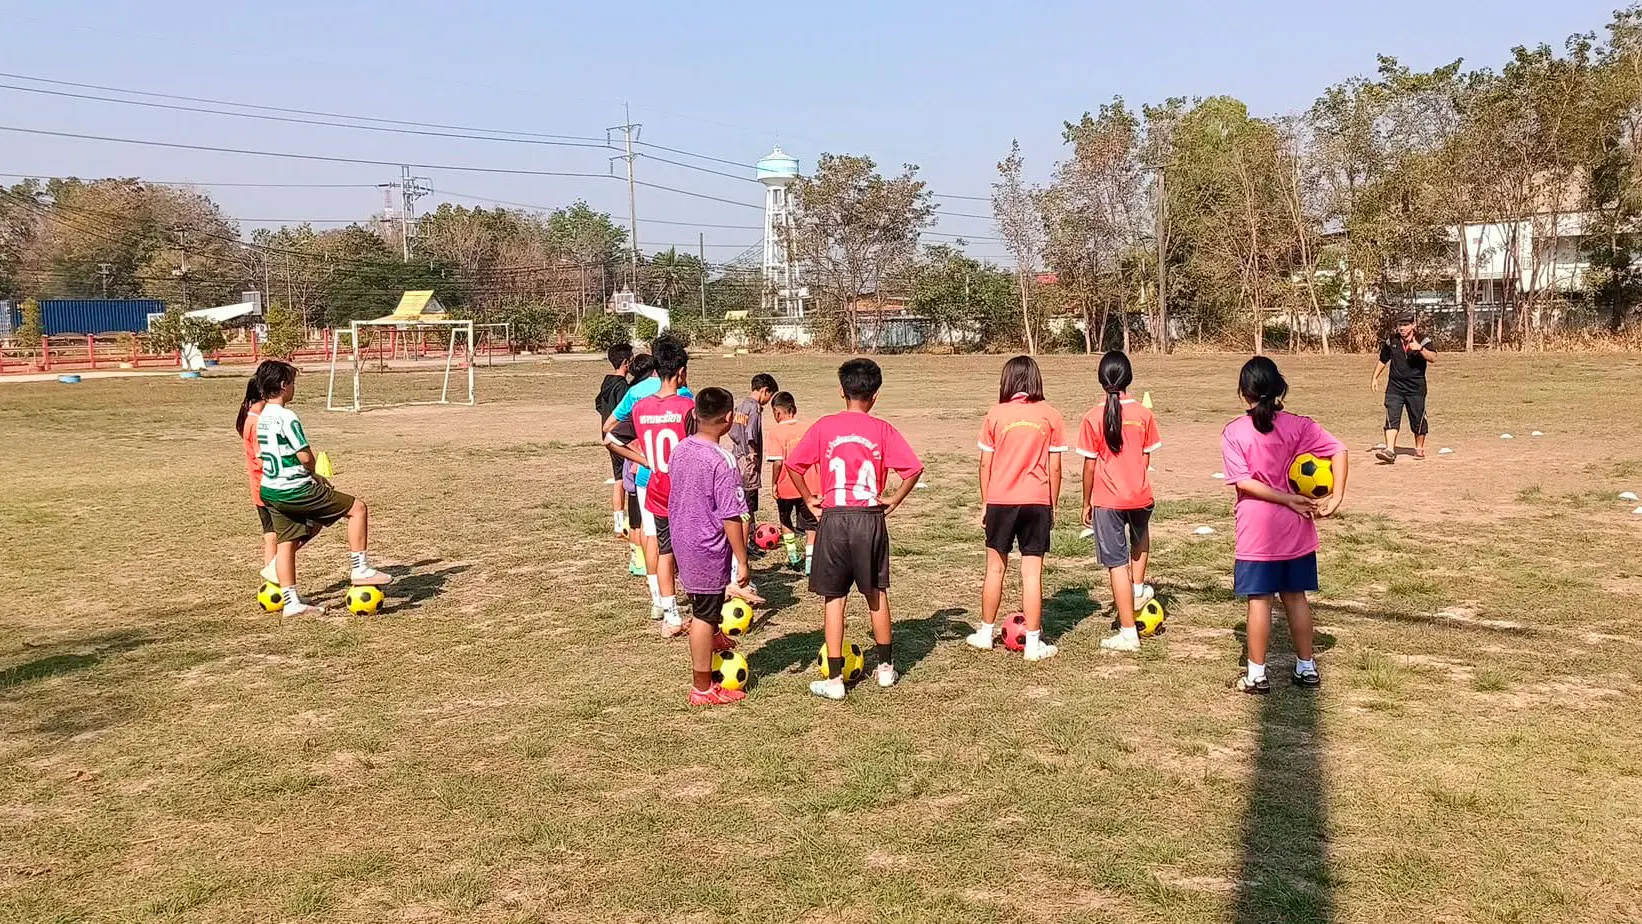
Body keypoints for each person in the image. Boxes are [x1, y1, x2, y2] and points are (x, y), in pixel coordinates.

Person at [784, 358, 924, 701]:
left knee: (835, 599)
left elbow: (793, 465)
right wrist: (893, 500)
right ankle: (887, 669)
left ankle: (834, 681)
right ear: (875, 395)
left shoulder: (823, 426)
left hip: (834, 516)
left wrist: (809, 498)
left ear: (841, 390)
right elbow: (913, 469)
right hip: (869, 517)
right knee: (876, 592)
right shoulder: (883, 430)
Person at [1222, 356, 1349, 694]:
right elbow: (1339, 449)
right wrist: (1335, 496)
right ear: (1280, 388)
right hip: (1296, 528)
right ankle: (1306, 667)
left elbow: (1243, 483)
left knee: (1259, 601)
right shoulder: (1300, 426)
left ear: (1243, 393)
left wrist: (1283, 497)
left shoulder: (1234, 431)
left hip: (1255, 532)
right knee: (1296, 598)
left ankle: (1256, 674)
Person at [252, 360, 393, 617]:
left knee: (287, 542)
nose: (294, 388)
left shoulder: (263, 418)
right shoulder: (287, 417)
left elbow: (261, 455)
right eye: (292, 383)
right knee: (357, 509)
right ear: (284, 386)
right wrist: (314, 474)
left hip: (270, 489)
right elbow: (305, 456)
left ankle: (290, 601)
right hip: (294, 488)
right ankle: (360, 568)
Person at [665, 386, 764, 706]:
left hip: (682, 538)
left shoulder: (680, 449)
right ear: (728, 420)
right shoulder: (722, 460)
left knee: (705, 601)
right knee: (703, 616)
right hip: (705, 544)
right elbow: (731, 515)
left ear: (695, 415)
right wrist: (743, 560)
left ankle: (716, 634)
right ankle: (703, 688)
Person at [965, 356, 1067, 661]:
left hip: (1000, 501)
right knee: (1031, 574)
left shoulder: (995, 415)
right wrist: (1053, 503)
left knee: (995, 568)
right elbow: (1056, 467)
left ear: (1006, 382)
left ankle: (985, 633)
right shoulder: (1050, 415)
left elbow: (985, 463)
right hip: (1037, 500)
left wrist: (986, 500)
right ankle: (1033, 644)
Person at [606, 336, 694, 635]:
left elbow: (611, 438)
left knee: (664, 547)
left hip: (655, 485)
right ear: (681, 372)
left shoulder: (642, 407)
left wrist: (644, 460)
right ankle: (702, 603)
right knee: (693, 545)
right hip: (685, 488)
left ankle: (669, 612)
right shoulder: (688, 405)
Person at [1078, 351, 1163, 653]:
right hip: (1141, 495)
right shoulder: (1143, 414)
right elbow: (1145, 456)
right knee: (1140, 538)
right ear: (1129, 378)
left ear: (1101, 380)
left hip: (1108, 499)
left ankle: (1129, 633)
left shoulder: (1091, 417)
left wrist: (1086, 502)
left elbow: (1089, 466)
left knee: (1116, 564)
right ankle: (1137, 590)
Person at [765, 391, 820, 573]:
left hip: (786, 486)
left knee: (785, 519)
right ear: (794, 409)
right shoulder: (808, 428)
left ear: (776, 413)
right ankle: (810, 563)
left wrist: (774, 483)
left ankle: (794, 557)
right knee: (811, 525)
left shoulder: (776, 432)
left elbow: (778, 461)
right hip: (809, 484)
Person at [1370, 314, 1436, 463]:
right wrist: (1375, 377)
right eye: (1400, 325)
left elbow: (1433, 357)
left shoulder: (1423, 339)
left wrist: (1419, 349)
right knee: (1391, 417)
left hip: (1416, 388)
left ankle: (1419, 448)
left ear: (1412, 325)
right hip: (1395, 387)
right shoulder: (1391, 340)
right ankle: (1390, 451)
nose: (1402, 328)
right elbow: (1383, 359)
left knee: (1417, 419)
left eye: (1405, 325)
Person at [728, 373, 779, 530]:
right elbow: (751, 435)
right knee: (749, 501)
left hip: (737, 458)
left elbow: (733, 432)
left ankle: (747, 532)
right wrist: (752, 454)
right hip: (748, 462)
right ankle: (749, 536)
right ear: (764, 391)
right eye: (769, 396)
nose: (768, 401)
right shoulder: (754, 409)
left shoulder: (741, 406)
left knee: (741, 496)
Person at [596, 344, 634, 535]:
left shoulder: (607, 382)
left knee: (618, 478)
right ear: (627, 362)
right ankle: (626, 524)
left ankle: (619, 523)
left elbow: (598, 404)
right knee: (624, 480)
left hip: (607, 436)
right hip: (621, 437)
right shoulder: (622, 387)